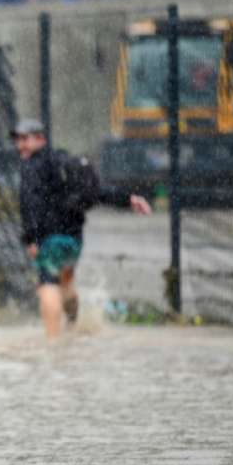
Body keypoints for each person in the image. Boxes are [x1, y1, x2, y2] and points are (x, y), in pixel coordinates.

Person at [12, 119, 152, 339]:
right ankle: (72, 328)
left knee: (48, 285)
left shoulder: (32, 166)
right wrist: (128, 199)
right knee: (66, 281)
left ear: (40, 139)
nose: (20, 145)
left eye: (25, 139)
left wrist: (31, 238)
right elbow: (95, 191)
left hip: (50, 238)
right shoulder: (65, 161)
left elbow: (29, 203)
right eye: (17, 140)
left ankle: (53, 343)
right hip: (74, 239)